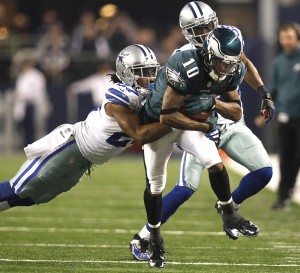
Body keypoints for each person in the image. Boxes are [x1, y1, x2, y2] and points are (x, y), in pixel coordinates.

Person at [130, 1, 275, 262]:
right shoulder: (186, 60)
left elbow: (237, 97)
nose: (207, 31)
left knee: (241, 167)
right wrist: (205, 124)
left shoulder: (228, 43)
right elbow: (168, 113)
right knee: (174, 186)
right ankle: (147, 235)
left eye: (210, 25)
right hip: (180, 120)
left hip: (216, 119)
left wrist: (261, 93)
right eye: (200, 29)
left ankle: (229, 210)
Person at [0, 44, 171, 215]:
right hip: (70, 148)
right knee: (18, 189)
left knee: (31, 197)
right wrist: (175, 120)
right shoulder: (122, 96)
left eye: (152, 71)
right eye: (144, 72)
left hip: (83, 162)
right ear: (128, 74)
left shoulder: (144, 96)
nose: (151, 78)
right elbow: (140, 134)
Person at [269, 22, 300, 210]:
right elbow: (272, 89)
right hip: (284, 116)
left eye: (289, 36)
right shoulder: (278, 61)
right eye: (283, 37)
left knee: (297, 156)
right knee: (285, 157)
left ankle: (287, 190)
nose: (286, 40)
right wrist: (265, 110)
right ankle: (282, 196)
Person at [13, 59, 52, 147]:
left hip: (34, 104)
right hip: (23, 105)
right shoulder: (22, 75)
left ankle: (33, 145)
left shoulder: (37, 76)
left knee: (34, 127)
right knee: (24, 126)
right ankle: (24, 145)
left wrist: (26, 96)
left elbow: (39, 91)